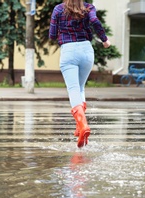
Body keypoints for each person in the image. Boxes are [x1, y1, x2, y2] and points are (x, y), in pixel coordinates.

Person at [49, 0, 111, 148]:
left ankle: (83, 125)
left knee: (73, 89)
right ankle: (79, 127)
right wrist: (105, 39)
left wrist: (60, 32)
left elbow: (51, 35)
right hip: (86, 51)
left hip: (68, 50)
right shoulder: (88, 7)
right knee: (81, 88)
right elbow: (95, 21)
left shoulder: (58, 9)